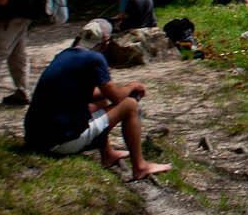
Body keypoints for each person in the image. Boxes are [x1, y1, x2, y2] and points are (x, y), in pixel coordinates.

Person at [23, 19, 172, 182]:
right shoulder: (94, 59)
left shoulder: (64, 54)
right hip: (60, 143)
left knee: (100, 102)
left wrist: (114, 92)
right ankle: (140, 167)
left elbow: (96, 93)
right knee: (130, 105)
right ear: (105, 44)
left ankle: (108, 154)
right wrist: (131, 87)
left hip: (35, 139)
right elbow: (116, 96)